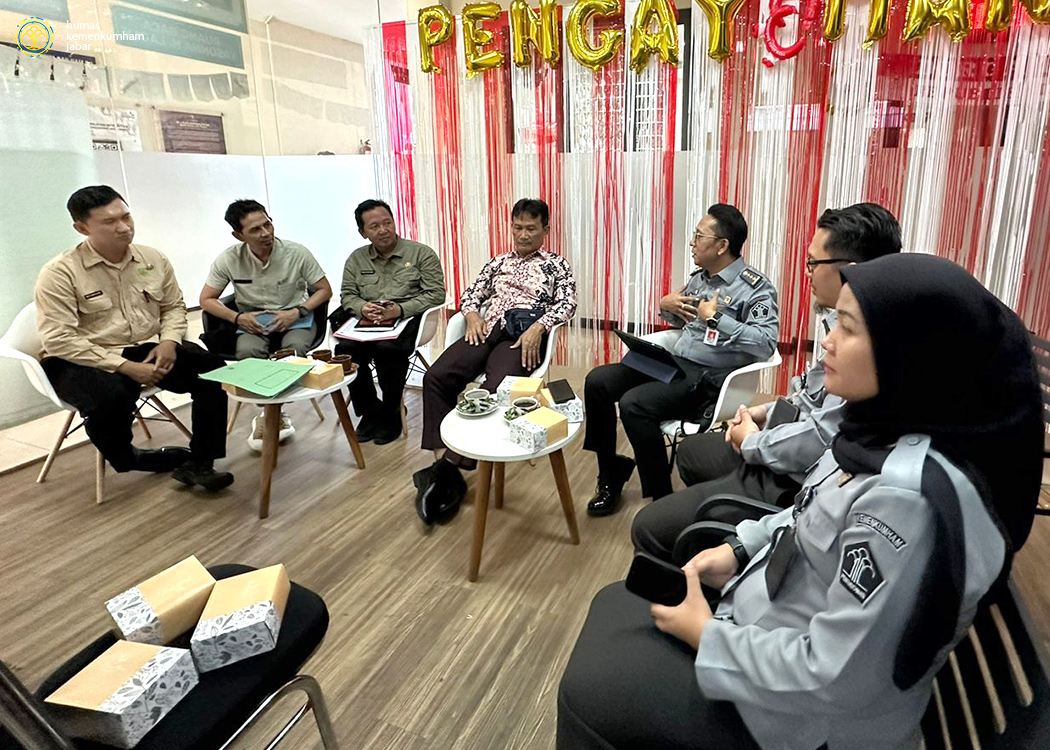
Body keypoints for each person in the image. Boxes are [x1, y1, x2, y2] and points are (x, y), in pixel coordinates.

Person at [557, 253, 1045, 750]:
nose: (827, 341)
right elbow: (807, 511)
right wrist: (740, 549)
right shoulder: (875, 432)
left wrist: (708, 636)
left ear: (909, 356)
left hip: (795, 721)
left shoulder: (906, 503)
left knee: (587, 688)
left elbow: (832, 679)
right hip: (765, 626)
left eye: (848, 328)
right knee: (616, 605)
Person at [633, 203, 902, 561]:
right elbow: (809, 398)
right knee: (686, 448)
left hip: (794, 466)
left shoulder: (866, 346)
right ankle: (713, 528)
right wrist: (769, 411)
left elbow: (818, 430)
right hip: (694, 369)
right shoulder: (839, 323)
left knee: (647, 511)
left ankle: (719, 531)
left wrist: (754, 442)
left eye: (812, 263)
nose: (807, 273)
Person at [583, 204, 779, 515]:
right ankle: (610, 472)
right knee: (598, 382)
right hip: (676, 362)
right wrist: (666, 306)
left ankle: (662, 497)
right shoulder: (700, 279)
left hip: (709, 377)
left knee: (635, 404)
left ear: (722, 245)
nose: (692, 242)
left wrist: (717, 319)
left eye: (699, 236)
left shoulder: (755, 288)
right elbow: (683, 321)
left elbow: (766, 343)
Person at [35, 185, 234, 491]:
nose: (124, 227)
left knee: (212, 370)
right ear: (82, 228)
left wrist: (169, 341)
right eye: (109, 222)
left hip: (144, 347)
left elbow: (172, 306)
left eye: (126, 216)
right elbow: (59, 339)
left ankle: (200, 463)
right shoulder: (60, 273)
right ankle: (129, 458)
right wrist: (125, 367)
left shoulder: (152, 258)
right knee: (111, 396)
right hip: (80, 357)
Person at [412, 198, 577, 521]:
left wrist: (538, 327)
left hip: (521, 338)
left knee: (495, 390)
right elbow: (471, 294)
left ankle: (446, 471)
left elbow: (567, 304)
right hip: (486, 330)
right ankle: (444, 461)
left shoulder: (556, 265)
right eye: (518, 228)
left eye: (531, 229)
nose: (523, 235)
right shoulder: (498, 262)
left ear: (545, 229)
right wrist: (472, 315)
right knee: (436, 377)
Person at [199, 199, 332, 452]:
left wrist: (297, 312)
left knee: (292, 355)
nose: (265, 233)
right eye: (255, 230)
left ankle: (274, 414)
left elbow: (324, 290)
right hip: (253, 322)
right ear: (239, 235)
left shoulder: (296, 252)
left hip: (295, 318)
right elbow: (206, 299)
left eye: (267, 225)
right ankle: (269, 412)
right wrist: (237, 318)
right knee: (248, 354)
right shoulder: (229, 259)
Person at [335, 199, 446, 445]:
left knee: (388, 350)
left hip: (407, 318)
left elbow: (436, 294)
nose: (383, 230)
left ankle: (392, 411)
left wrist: (400, 310)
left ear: (395, 222)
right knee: (345, 351)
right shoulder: (356, 259)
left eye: (387, 223)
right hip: (367, 321)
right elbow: (348, 295)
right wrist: (362, 308)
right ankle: (370, 411)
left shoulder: (420, 254)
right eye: (374, 226)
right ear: (363, 232)